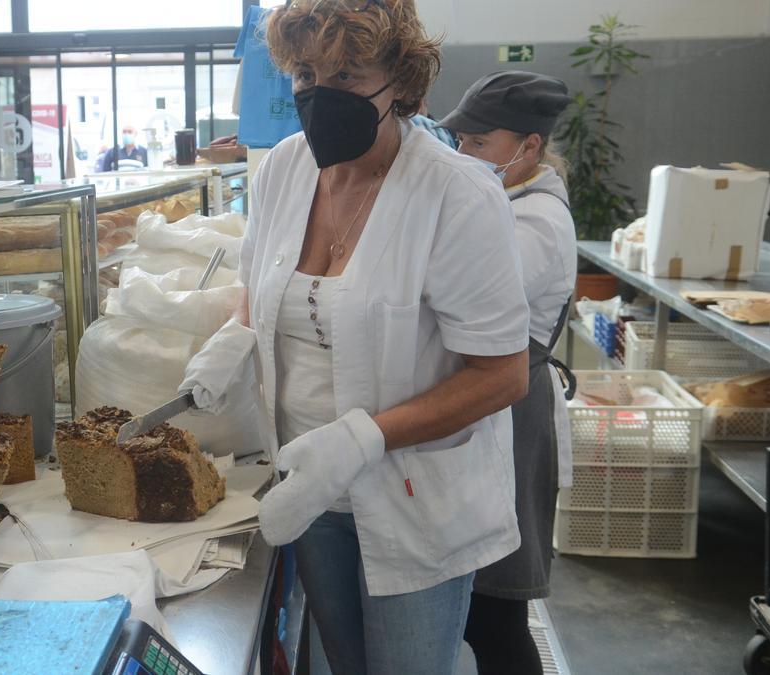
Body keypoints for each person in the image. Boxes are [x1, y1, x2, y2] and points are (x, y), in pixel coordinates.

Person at [179, 1, 532, 673]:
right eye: (306, 72)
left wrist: (362, 438)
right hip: (308, 487)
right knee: (345, 662)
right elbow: (263, 283)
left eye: (346, 75)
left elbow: (502, 373)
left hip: (413, 493)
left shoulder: (457, 193)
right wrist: (233, 338)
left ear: (400, 80)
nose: (319, 94)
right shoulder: (284, 169)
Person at [438, 71, 577, 675]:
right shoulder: (502, 201)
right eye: (459, 142)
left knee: (497, 615)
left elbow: (479, 299)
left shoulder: (538, 221)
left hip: (512, 415)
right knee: (478, 606)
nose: (463, 155)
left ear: (529, 147)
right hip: (487, 412)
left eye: (478, 144)